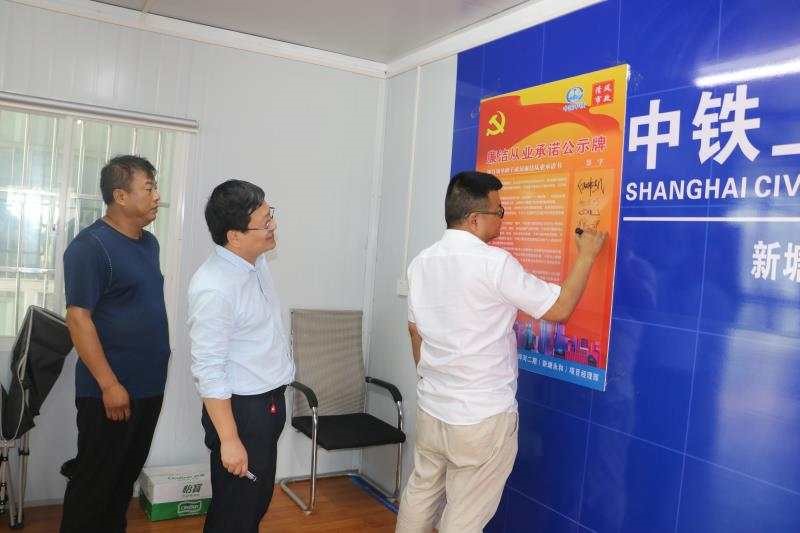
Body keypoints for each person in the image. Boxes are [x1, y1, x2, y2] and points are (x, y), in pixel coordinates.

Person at [395, 170, 607, 533]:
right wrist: (586, 256)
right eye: (499, 211)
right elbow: (559, 309)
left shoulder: (421, 263)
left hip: (433, 408)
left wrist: (434, 381)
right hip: (481, 417)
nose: (502, 218)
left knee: (421, 492)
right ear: (474, 219)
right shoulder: (493, 263)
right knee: (463, 517)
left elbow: (415, 331)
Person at [60, 155, 170, 533]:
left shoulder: (149, 244)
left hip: (147, 387)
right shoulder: (90, 247)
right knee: (95, 484)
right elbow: (78, 319)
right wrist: (109, 384)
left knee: (122, 482)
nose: (156, 196)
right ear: (120, 196)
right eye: (149, 188)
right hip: (110, 392)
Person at [188, 179, 294, 533]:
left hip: (266, 404)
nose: (272, 225)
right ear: (234, 236)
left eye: (270, 214)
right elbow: (209, 369)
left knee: (252, 505)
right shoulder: (214, 288)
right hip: (242, 412)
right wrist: (230, 440)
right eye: (264, 222)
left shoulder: (253, 263)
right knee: (236, 511)